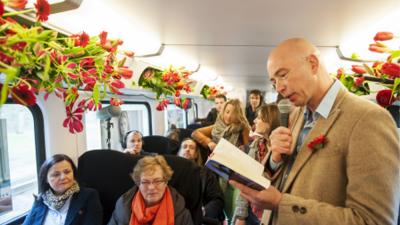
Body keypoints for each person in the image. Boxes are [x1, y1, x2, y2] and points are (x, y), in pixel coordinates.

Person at [230, 38, 400, 225]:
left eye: (283, 75)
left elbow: (373, 220)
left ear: (312, 64)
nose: (279, 87)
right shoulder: (298, 113)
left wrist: (280, 203)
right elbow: (291, 175)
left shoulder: (368, 118)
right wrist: (274, 160)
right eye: (274, 81)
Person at [192, 99, 251, 223]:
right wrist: (209, 142)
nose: (229, 116)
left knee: (232, 206)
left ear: (238, 115)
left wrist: (241, 150)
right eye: (227, 111)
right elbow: (195, 133)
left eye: (233, 113)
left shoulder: (243, 128)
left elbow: (249, 150)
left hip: (234, 172)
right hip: (215, 170)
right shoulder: (216, 127)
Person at [108, 155, 193, 225]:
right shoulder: (122, 208)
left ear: (166, 182)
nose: (151, 187)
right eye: (145, 182)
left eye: (157, 181)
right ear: (138, 184)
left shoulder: (180, 212)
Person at [23, 154, 103, 225]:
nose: (63, 177)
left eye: (67, 172)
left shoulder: (88, 196)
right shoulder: (40, 199)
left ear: (73, 174)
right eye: (56, 174)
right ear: (46, 179)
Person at [234, 104, 280, 225]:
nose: (254, 120)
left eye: (259, 118)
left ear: (269, 122)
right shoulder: (255, 146)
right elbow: (245, 179)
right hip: (253, 210)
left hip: (274, 209)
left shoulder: (281, 150)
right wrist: (241, 215)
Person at [177, 138, 225, 224]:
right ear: (179, 152)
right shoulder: (170, 174)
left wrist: (203, 211)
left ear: (196, 154)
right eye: (184, 147)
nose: (187, 149)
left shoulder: (206, 174)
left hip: (201, 218)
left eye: (191, 148)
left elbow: (217, 200)